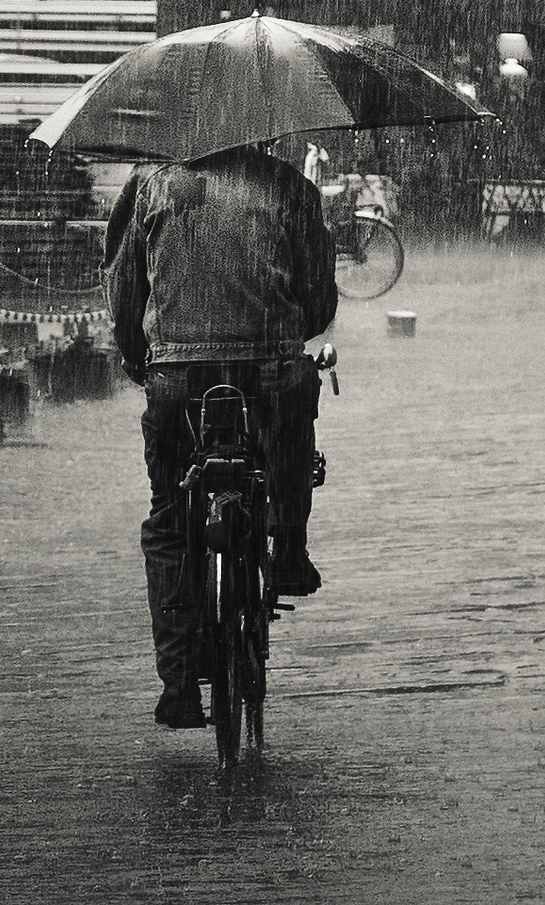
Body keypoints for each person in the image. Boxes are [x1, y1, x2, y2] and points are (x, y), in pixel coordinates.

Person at [107, 146, 338, 729]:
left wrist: (139, 357)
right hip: (270, 373)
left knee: (170, 521)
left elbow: (125, 291)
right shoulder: (289, 188)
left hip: (177, 380)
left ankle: (180, 685)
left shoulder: (150, 186)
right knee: (291, 430)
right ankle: (288, 550)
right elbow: (318, 302)